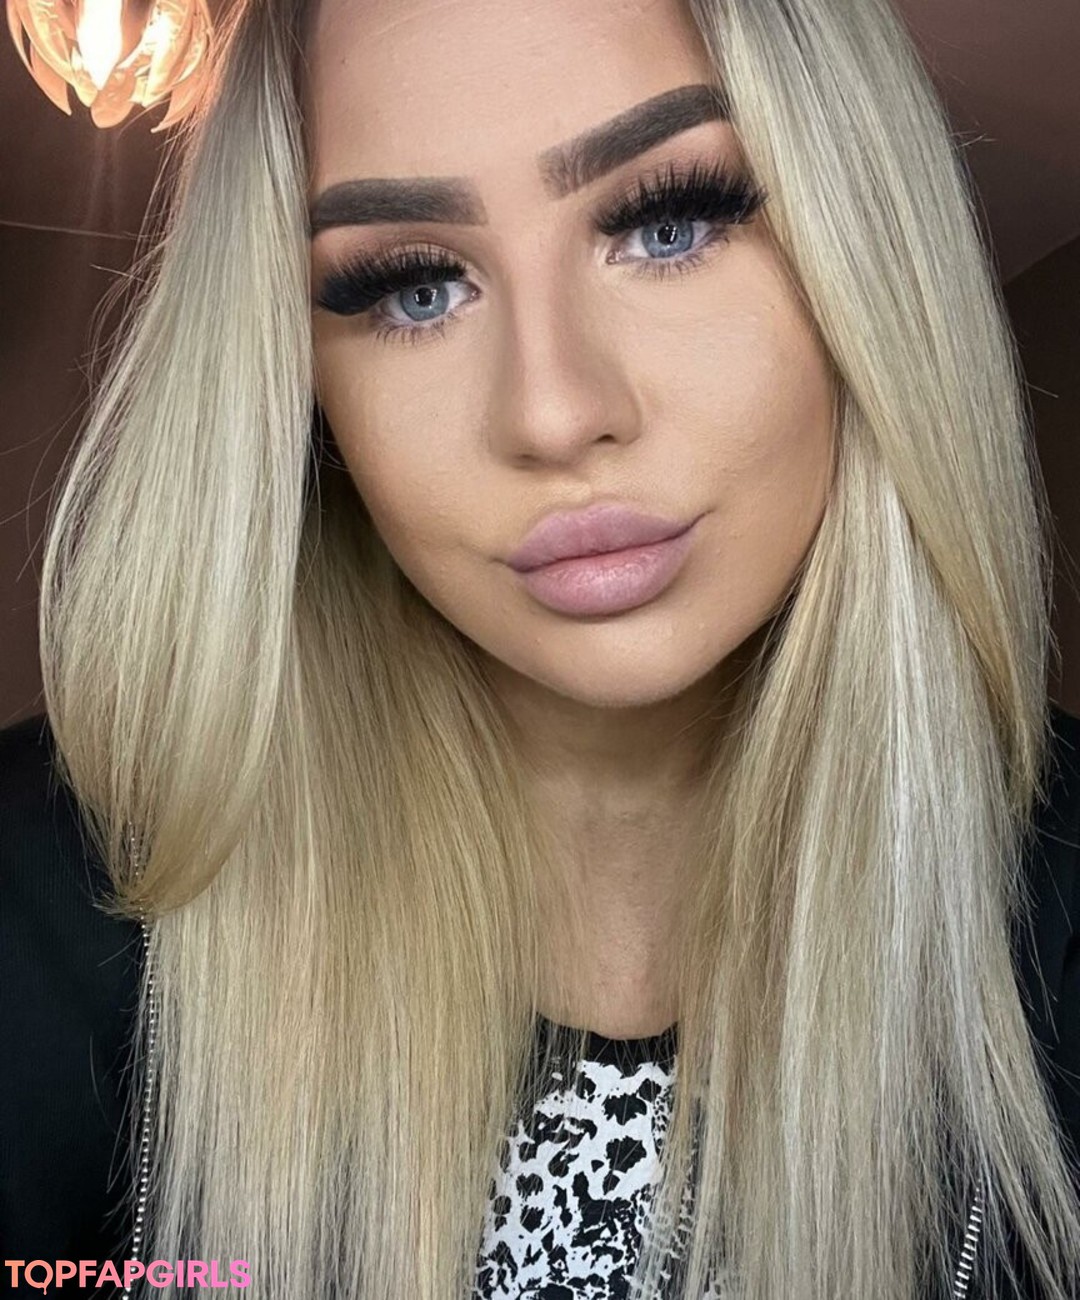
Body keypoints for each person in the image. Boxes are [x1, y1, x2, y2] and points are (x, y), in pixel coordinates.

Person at [1, 0, 1078, 1296]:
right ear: (302, 386)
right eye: (416, 287)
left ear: (870, 252)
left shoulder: (1054, 902)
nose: (554, 411)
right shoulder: (51, 898)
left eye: (667, 222)